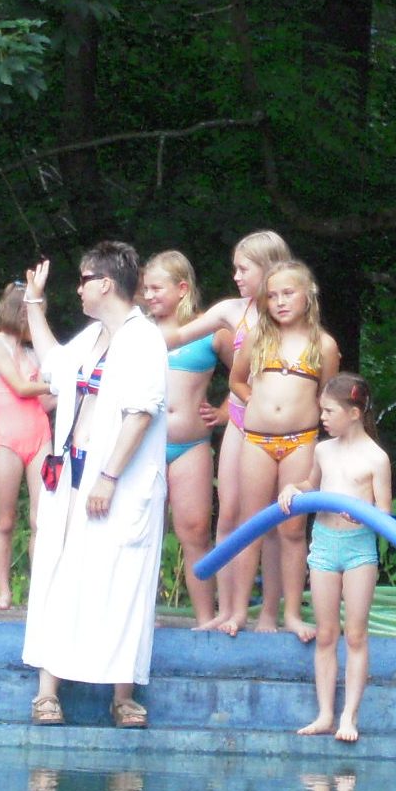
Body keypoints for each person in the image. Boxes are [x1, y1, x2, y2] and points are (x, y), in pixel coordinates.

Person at [19, 242, 169, 730]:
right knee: (59, 570)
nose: (78, 289)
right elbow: (55, 368)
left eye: (84, 280)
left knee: (122, 579)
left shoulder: (143, 339)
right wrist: (34, 303)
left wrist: (109, 476)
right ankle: (47, 691)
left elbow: (141, 412)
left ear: (105, 283)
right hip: (72, 475)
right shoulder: (94, 336)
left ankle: (123, 695)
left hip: (117, 481)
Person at [166, 231, 295, 634]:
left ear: (269, 268)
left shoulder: (290, 312)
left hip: (279, 428)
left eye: (243, 269)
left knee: (270, 520)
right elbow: (178, 336)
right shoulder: (230, 310)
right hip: (242, 420)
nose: (236, 276)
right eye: (235, 269)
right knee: (230, 514)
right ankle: (229, 610)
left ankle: (269, 613)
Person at [231, 260, 340, 643]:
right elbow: (236, 380)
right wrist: (255, 402)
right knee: (252, 526)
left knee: (292, 529)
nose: (279, 302)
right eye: (272, 295)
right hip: (257, 441)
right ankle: (239, 611)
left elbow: (328, 395)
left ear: (308, 295)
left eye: (288, 293)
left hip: (300, 440)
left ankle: (289, 613)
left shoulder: (323, 345)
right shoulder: (257, 338)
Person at [279, 373, 390, 743]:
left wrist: (363, 515)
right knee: (326, 633)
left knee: (355, 634)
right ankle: (325, 713)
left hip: (359, 549)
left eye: (329, 411)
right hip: (324, 545)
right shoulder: (323, 450)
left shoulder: (376, 458)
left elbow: (385, 513)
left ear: (354, 413)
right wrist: (293, 488)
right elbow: (311, 485)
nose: (322, 417)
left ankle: (349, 716)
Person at [142, 250, 228, 628]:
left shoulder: (210, 329)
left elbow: (252, 373)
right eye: (145, 289)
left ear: (181, 288)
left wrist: (225, 412)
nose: (149, 295)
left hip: (191, 444)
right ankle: (139, 617)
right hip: (144, 445)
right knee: (143, 533)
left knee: (195, 531)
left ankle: (205, 619)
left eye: (156, 288)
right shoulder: (137, 331)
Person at [0, 282, 52, 610]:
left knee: (41, 520)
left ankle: (40, 593)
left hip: (40, 436)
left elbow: (46, 402)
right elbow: (22, 388)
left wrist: (80, 387)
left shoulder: (34, 353)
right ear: (21, 313)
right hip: (8, 440)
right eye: (35, 314)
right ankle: (3, 592)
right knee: (5, 520)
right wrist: (59, 382)